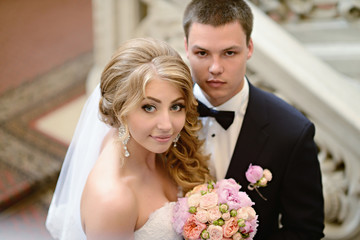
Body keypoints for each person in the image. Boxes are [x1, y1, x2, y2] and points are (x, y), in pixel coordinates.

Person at [183, 0, 325, 239]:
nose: (215, 68)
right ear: (186, 47)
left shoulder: (291, 132)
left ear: (249, 48)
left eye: (229, 52)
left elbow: (305, 230)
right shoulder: (160, 120)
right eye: (202, 53)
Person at [46, 37, 212, 239]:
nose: (167, 125)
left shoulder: (153, 144)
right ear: (120, 110)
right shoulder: (112, 200)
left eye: (176, 106)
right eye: (149, 107)